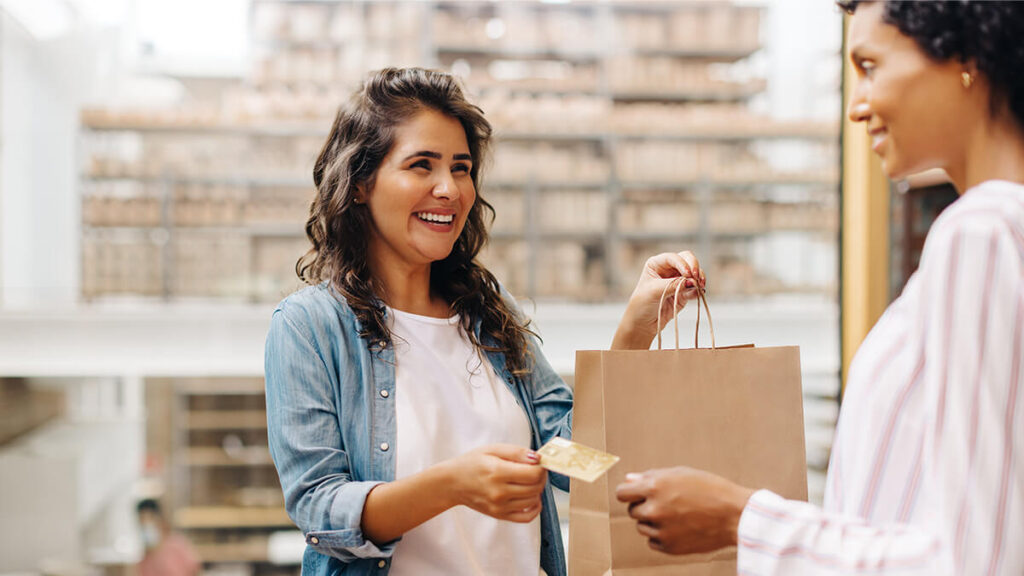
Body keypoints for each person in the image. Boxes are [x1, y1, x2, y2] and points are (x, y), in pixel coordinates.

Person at [614, 1, 1024, 574]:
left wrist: (740, 518)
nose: (857, 106)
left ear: (964, 57)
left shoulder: (981, 231)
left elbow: (975, 562)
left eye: (871, 66)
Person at [264, 67, 705, 576]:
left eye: (461, 167)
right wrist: (453, 485)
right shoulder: (309, 326)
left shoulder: (490, 315)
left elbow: (575, 464)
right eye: (421, 165)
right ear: (361, 183)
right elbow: (320, 510)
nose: (449, 189)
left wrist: (636, 330)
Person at [136, 499, 200, 576]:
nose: (145, 524)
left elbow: (195, 570)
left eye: (149, 518)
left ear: (159, 519)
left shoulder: (177, 544)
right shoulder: (145, 556)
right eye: (141, 520)